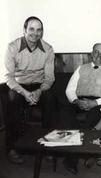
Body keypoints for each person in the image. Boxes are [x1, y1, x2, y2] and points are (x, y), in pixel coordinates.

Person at [4, 16, 55, 164]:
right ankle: (12, 147)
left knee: (51, 99)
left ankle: (49, 146)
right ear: (24, 30)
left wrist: (39, 92)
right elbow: (9, 77)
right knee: (13, 101)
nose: (35, 33)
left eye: (39, 30)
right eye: (31, 29)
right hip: (19, 86)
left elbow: (49, 78)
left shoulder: (48, 49)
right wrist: (25, 93)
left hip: (40, 85)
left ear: (42, 32)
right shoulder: (12, 47)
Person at [63, 43, 101, 174]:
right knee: (65, 112)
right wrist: (76, 101)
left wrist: (95, 102)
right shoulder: (80, 68)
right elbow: (70, 89)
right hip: (79, 101)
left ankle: (72, 158)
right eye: (96, 52)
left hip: (99, 103)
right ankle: (64, 150)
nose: (99, 55)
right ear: (91, 54)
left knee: (93, 116)